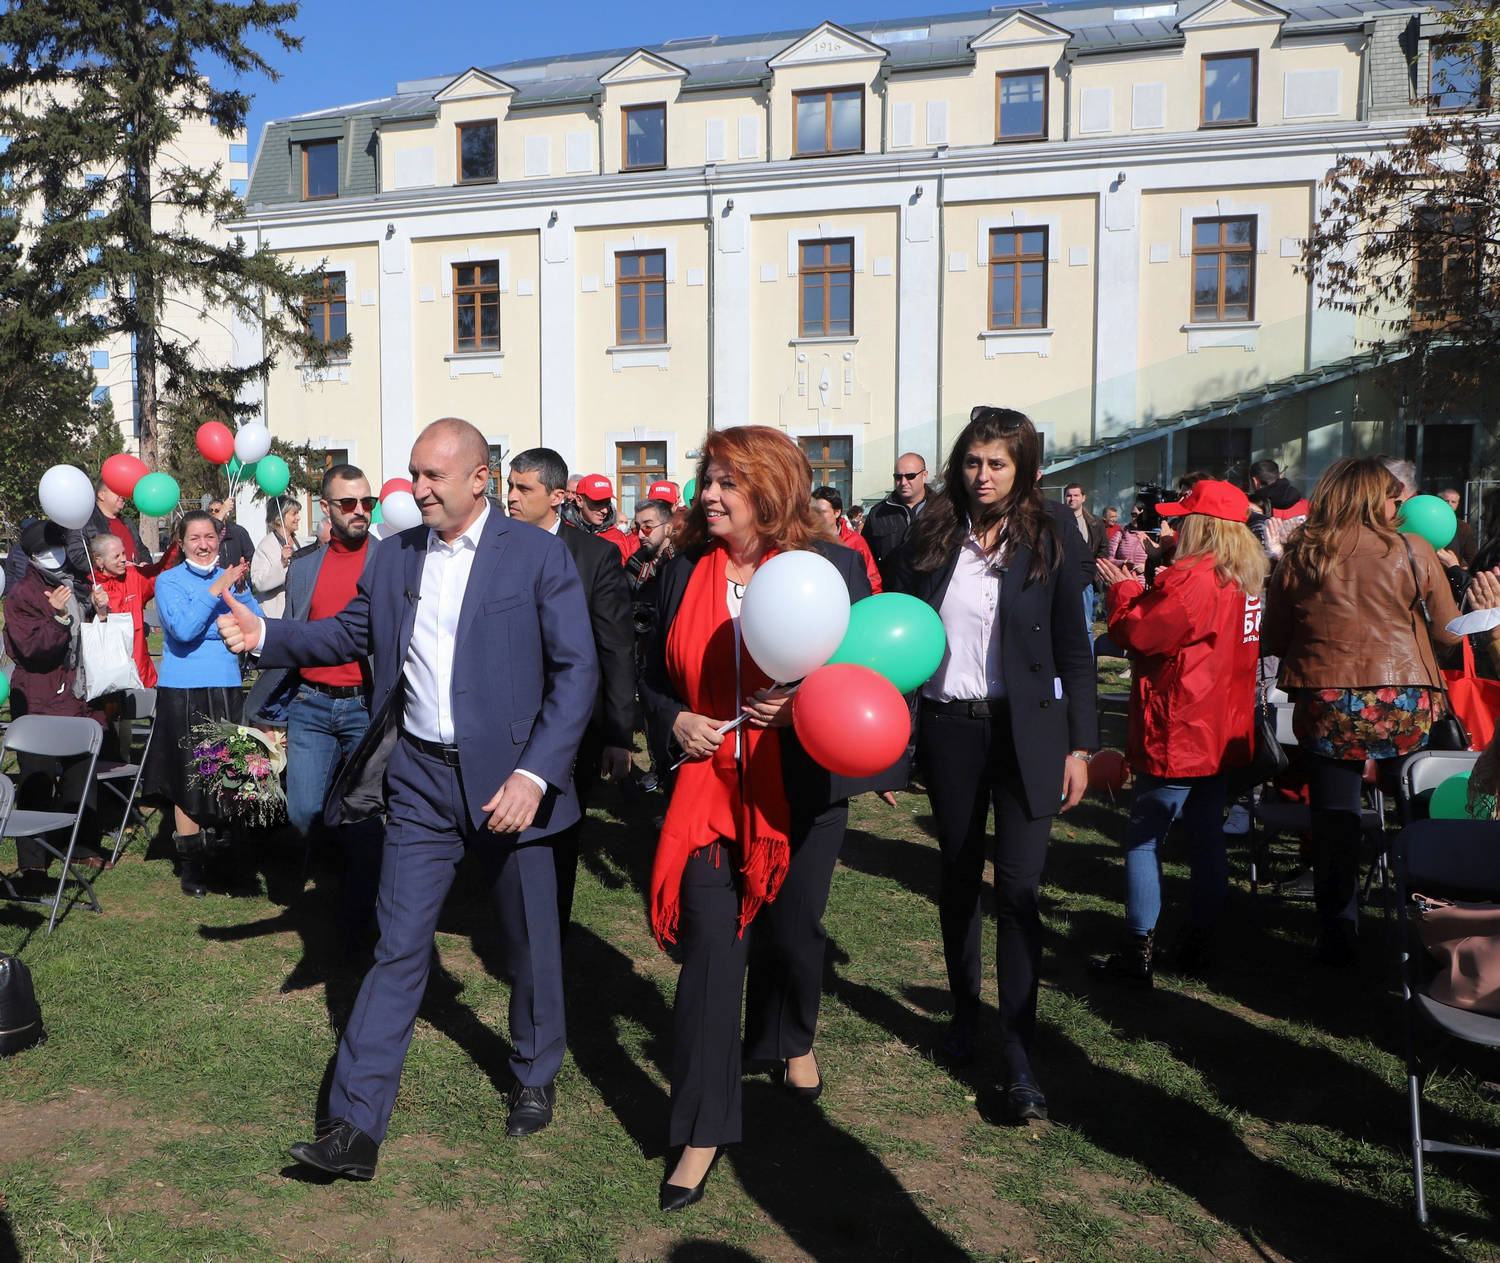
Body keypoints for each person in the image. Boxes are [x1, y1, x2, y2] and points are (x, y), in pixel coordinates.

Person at [218, 417, 597, 1178]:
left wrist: (534, 775)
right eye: (414, 473)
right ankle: (355, 1127)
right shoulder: (395, 558)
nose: (417, 488)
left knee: (528, 941)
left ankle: (534, 1069)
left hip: (513, 783)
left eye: (433, 476)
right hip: (420, 779)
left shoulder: (536, 554)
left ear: (481, 479)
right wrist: (266, 637)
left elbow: (576, 671)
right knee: (397, 945)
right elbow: (345, 634)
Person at [640, 425, 876, 1211]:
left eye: (726, 483)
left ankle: (787, 1035)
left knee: (793, 931)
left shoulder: (833, 568)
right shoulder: (682, 570)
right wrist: (674, 721)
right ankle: (702, 1128)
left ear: (770, 491)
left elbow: (867, 677)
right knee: (712, 953)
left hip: (802, 791)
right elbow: (650, 677)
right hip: (709, 794)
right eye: (706, 479)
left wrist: (804, 705)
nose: (707, 495)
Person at [886, 406, 1096, 1125]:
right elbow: (898, 632)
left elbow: (1075, 649)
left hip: (1028, 734)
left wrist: (1081, 746)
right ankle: (963, 1014)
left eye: (997, 463)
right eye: (973, 462)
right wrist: (891, 742)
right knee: (957, 878)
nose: (982, 476)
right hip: (950, 730)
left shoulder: (1051, 534)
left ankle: (1018, 1052)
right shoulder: (932, 532)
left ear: (1024, 469)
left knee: (1018, 891)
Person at [1262, 457, 1461, 966]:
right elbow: (1447, 633)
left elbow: (1275, 638)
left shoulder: (1304, 554)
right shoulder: (1413, 549)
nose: (1401, 508)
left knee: (1335, 820)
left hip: (1328, 699)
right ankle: (1433, 922)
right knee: (1415, 809)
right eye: (1395, 499)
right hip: (1405, 701)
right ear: (1375, 498)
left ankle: (1339, 934)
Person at [1091, 480, 1268, 984]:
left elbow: (1139, 634)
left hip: (1182, 727)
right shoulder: (1247, 576)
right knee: (1207, 837)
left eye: (1181, 519)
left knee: (1144, 839)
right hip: (1222, 728)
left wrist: (1124, 589)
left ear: (1202, 526)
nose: (1172, 525)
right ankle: (1198, 942)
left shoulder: (1193, 580)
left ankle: (1137, 951)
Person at [245, 466, 382, 946]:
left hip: (366, 705)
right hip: (312, 704)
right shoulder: (303, 567)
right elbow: (297, 635)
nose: (360, 511)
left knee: (364, 815)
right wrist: (267, 708)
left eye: (368, 502)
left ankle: (357, 914)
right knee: (304, 811)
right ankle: (339, 874)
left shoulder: (388, 561)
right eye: (349, 503)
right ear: (326, 508)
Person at [505, 447, 635, 933]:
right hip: (505, 715)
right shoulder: (495, 548)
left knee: (557, 833)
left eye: (524, 489)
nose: (511, 497)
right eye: (509, 486)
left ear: (558, 497)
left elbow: (615, 647)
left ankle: (550, 933)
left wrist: (618, 735)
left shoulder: (594, 556)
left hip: (571, 724)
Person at [141, 510, 260, 896]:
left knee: (230, 773)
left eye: (209, 537)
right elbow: (183, 629)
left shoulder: (231, 578)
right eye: (195, 538)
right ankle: (191, 865)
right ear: (182, 542)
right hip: (184, 689)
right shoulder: (169, 581)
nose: (204, 545)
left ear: (219, 539)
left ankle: (227, 858)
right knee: (189, 777)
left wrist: (236, 591)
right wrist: (215, 593)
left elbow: (255, 625)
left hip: (226, 685)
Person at [2, 521, 112, 895]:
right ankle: (33, 860)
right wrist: (57, 617)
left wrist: (99, 611)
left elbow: (89, 638)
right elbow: (31, 650)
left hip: (78, 695)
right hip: (40, 697)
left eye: (57, 546)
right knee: (38, 777)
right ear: (32, 556)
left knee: (82, 772)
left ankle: (80, 845)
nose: (54, 554)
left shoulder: (76, 583)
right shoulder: (22, 594)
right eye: (44, 550)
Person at [88, 531, 179, 689]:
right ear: (99, 561)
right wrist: (97, 607)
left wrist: (178, 543)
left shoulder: (134, 576)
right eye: (116, 556)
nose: (123, 559)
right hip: (108, 677)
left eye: (123, 553)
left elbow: (161, 571)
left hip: (141, 672)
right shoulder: (89, 586)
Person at [863, 452, 929, 583]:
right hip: (892, 591)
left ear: (924, 476)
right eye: (898, 477)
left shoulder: (942, 510)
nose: (903, 482)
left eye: (910, 476)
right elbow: (867, 560)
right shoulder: (878, 514)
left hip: (932, 593)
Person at [68, 478, 149, 578]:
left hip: (135, 582)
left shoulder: (127, 522)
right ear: (101, 495)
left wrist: (145, 564)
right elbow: (78, 556)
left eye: (123, 492)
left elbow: (141, 549)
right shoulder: (84, 523)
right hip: (104, 585)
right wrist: (110, 568)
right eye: (117, 491)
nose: (122, 496)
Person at [811, 485, 882, 593]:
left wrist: (872, 601)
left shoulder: (855, 542)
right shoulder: (807, 542)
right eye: (814, 512)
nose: (817, 516)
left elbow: (873, 580)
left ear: (837, 512)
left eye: (823, 512)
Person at [1063, 483, 1108, 632]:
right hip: (1062, 578)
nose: (1072, 499)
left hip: (1085, 580)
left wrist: (1094, 570)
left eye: (1076, 495)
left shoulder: (1095, 522)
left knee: (1086, 624)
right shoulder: (1056, 520)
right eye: (1069, 495)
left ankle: (1088, 648)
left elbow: (1103, 549)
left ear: (1083, 498)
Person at [251, 495, 302, 618]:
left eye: (298, 513)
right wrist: (282, 564)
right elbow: (259, 583)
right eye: (294, 514)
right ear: (279, 519)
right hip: (276, 616)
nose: (298, 518)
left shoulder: (301, 543)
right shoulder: (265, 546)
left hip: (300, 613)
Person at [562, 473, 631, 559]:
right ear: (579, 501)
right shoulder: (564, 533)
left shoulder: (618, 538)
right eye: (598, 503)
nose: (605, 510)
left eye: (607, 503)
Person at [209, 497, 254, 570]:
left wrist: (246, 571)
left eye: (217, 510)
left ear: (225, 513)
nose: (213, 512)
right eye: (210, 510)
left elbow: (251, 558)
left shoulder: (238, 532)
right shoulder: (206, 533)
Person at [1439, 489, 1477, 567]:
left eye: (1453, 502)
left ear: (1457, 504)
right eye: (1446, 501)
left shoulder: (1464, 527)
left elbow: (1470, 556)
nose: (1449, 504)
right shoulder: (1431, 522)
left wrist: (1461, 568)